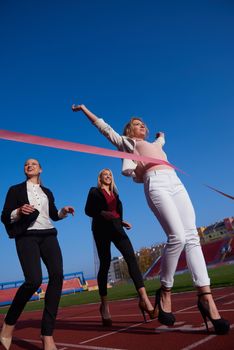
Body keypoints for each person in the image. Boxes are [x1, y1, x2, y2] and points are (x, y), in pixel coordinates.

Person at [72, 103, 230, 335]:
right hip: (155, 182)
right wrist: (86, 110)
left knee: (192, 238)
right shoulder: (128, 143)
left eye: (143, 124)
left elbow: (160, 143)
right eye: (137, 124)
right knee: (176, 237)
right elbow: (104, 128)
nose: (142, 126)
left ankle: (207, 299)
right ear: (129, 131)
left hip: (176, 183)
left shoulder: (154, 143)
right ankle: (165, 291)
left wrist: (161, 137)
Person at [0, 159, 75, 350]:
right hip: (27, 236)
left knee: (57, 275)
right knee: (33, 280)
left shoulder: (47, 192)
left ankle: (47, 334)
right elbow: (5, 215)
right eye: (26, 164)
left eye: (33, 163)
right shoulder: (14, 190)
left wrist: (63, 211)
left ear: (40, 169)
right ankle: (8, 325)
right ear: (24, 170)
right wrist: (18, 211)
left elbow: (53, 215)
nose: (29, 165)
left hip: (48, 234)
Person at [85, 168, 154, 326]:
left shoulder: (116, 194)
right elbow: (88, 210)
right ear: (100, 178)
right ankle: (105, 306)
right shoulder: (94, 192)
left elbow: (116, 212)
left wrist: (121, 221)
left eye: (110, 175)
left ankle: (144, 300)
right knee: (105, 263)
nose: (108, 176)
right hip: (101, 230)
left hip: (117, 229)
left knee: (131, 258)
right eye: (105, 175)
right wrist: (102, 213)